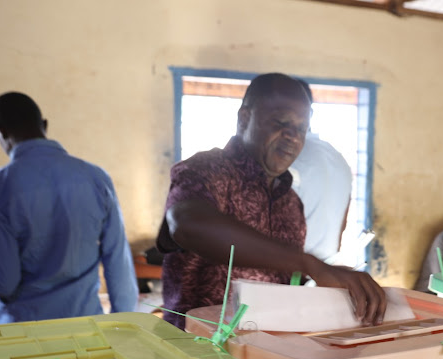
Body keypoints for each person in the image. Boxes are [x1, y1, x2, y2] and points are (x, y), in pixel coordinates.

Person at [156, 73, 386, 329]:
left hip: (263, 354)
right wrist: (309, 263)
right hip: (196, 354)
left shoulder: (291, 203)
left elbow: (286, 287)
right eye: (280, 122)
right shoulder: (206, 171)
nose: (293, 136)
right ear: (244, 118)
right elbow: (188, 225)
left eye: (301, 128)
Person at [0, 92, 138, 323]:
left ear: (0, 131)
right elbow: (118, 259)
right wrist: (123, 321)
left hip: (25, 331)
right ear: (45, 125)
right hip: (85, 326)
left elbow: (2, 280)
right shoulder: (96, 178)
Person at [288, 79, 353, 263]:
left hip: (293, 273)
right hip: (325, 272)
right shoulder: (338, 158)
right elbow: (342, 225)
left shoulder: (288, 157)